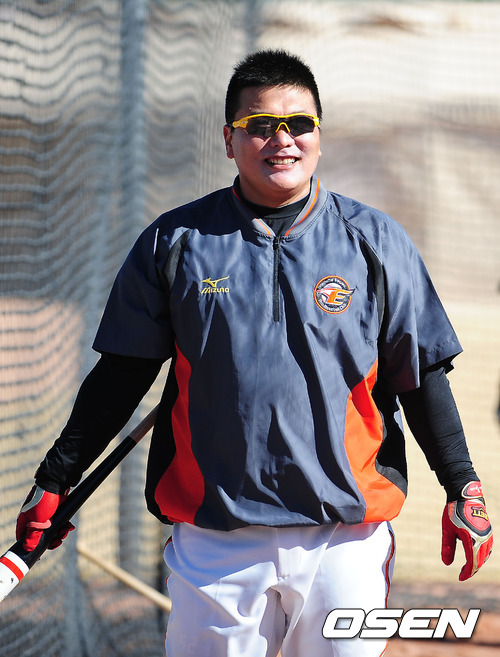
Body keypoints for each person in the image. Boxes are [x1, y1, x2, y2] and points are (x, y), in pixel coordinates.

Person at [16, 49, 493, 657]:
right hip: (216, 538)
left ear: (319, 133)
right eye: (260, 125)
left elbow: (420, 377)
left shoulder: (376, 241)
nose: (282, 140)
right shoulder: (175, 241)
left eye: (300, 124)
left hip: (345, 536)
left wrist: (462, 485)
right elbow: (120, 376)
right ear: (229, 139)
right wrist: (55, 477)